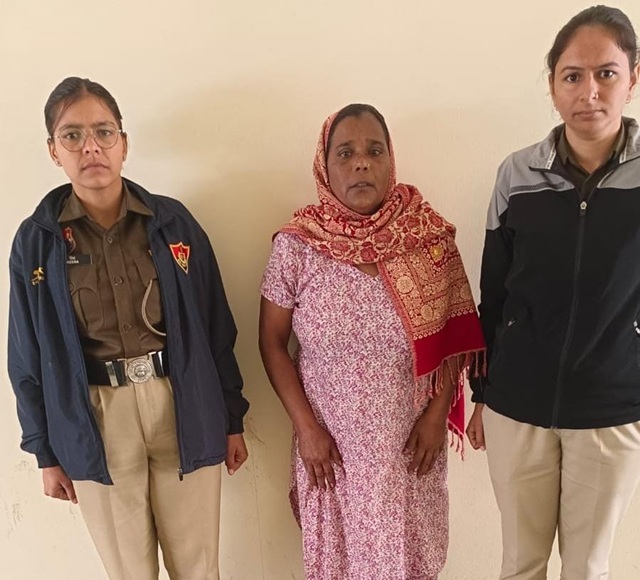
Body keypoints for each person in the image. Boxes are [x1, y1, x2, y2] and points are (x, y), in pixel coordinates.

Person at [7, 77, 249, 580]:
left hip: (182, 403)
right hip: (96, 418)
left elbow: (215, 326)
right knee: (128, 573)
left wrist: (231, 418)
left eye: (104, 132)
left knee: (199, 568)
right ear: (53, 150)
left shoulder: (173, 223)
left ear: (124, 142)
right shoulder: (36, 243)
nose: (90, 147)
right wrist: (44, 450)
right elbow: (25, 355)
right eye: (72, 135)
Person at [259, 104, 485, 579]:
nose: (361, 162)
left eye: (374, 151)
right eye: (345, 152)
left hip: (409, 449)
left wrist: (436, 417)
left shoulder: (428, 240)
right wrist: (307, 430)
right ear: (325, 166)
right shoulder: (298, 246)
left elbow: (453, 341)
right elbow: (272, 343)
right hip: (331, 453)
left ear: (390, 160)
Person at [466, 6, 640, 579]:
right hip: (517, 407)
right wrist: (483, 395)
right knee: (521, 563)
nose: (589, 92)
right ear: (552, 85)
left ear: (633, 78)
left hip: (612, 409)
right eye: (572, 76)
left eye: (606, 73)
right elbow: (495, 294)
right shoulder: (516, 175)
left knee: (587, 568)